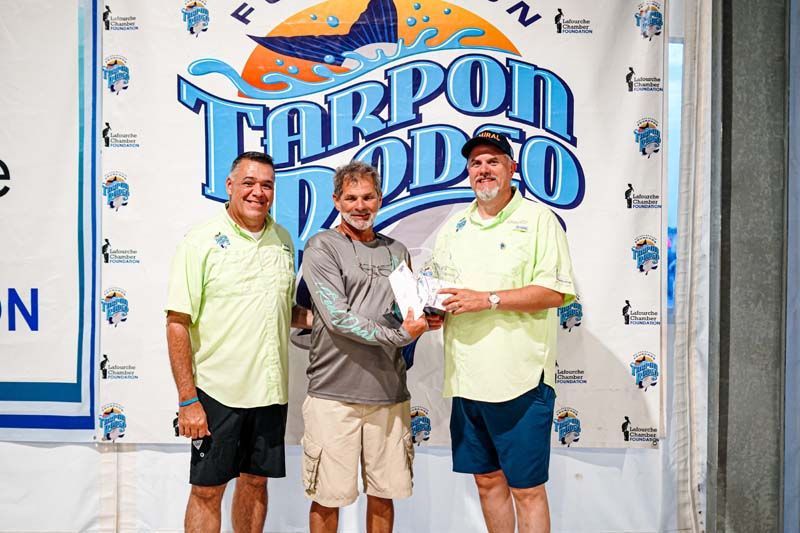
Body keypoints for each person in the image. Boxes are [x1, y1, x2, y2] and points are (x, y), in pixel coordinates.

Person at [432, 131, 576, 533]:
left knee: (526, 489)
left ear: (512, 168)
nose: (483, 169)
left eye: (493, 161)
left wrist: (488, 299)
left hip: (521, 382)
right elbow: (440, 291)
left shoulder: (538, 221)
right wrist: (429, 311)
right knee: (487, 480)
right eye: (476, 163)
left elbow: (555, 292)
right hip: (466, 379)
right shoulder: (454, 226)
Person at [165, 151, 312, 533]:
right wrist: (187, 399)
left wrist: (331, 321)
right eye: (249, 183)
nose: (257, 192)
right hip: (216, 394)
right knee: (207, 491)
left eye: (266, 185)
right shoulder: (200, 242)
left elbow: (282, 309)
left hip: (270, 392)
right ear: (229, 186)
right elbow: (177, 322)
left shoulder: (282, 240)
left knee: (255, 483)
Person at [300, 161, 441, 533]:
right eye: (351, 198)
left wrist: (427, 319)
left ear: (380, 199)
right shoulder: (321, 247)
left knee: (384, 494)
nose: (359, 206)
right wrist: (401, 335)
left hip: (388, 393)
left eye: (367, 197)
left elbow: (402, 313)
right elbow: (337, 317)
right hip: (333, 397)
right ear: (336, 200)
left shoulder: (397, 251)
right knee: (328, 498)